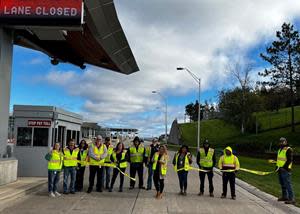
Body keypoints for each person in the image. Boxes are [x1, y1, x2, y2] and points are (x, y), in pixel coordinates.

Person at [276, 137, 295, 204]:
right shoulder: (279, 150)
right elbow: (279, 160)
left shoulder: (288, 149)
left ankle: (291, 199)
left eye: (283, 141)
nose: (281, 143)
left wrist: (284, 167)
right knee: (282, 184)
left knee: (288, 184)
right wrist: (277, 167)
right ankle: (285, 197)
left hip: (286, 170)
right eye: (280, 141)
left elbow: (289, 160)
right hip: (280, 169)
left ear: (286, 142)